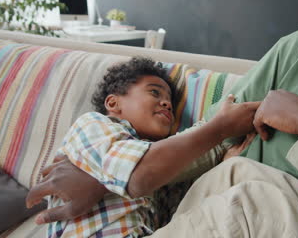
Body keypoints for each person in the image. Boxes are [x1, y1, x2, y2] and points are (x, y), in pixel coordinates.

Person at [27, 0, 298, 236]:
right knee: (237, 174)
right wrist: (108, 180)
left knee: (256, 196)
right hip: (216, 215)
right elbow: (216, 141)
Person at [30, 57, 261, 237]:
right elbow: (138, 175)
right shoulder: (94, 125)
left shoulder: (161, 161)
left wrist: (224, 162)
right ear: (113, 103)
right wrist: (219, 129)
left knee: (243, 176)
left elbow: (182, 209)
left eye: (169, 100)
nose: (166, 103)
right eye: (154, 92)